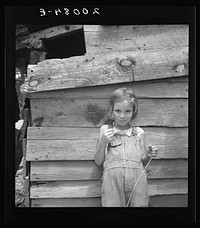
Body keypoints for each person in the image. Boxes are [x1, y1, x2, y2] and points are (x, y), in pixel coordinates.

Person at [94, 87, 158, 207]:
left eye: (127, 111)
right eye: (118, 111)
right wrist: (103, 142)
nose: (122, 116)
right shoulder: (105, 130)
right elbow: (98, 161)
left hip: (138, 184)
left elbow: (143, 162)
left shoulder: (139, 132)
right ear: (111, 110)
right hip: (112, 185)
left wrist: (148, 155)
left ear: (133, 111)